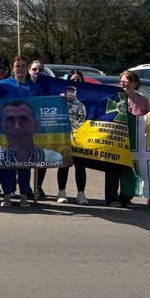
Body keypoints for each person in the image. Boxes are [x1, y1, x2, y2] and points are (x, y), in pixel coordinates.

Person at [0, 57, 37, 203]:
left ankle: (24, 195)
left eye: (23, 66)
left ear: (27, 68)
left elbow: (46, 100)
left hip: (27, 133)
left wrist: (60, 98)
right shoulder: (4, 84)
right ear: (13, 68)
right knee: (8, 163)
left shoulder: (34, 86)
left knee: (24, 163)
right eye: (18, 66)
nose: (20, 69)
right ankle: (7, 195)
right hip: (10, 131)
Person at [0, 99, 64, 177]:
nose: (17, 127)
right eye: (10, 119)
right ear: (1, 127)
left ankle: (27, 191)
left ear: (35, 125)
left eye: (24, 119)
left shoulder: (54, 157)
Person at [103, 70, 150, 208]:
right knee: (113, 170)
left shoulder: (143, 101)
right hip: (116, 140)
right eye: (122, 80)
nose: (124, 83)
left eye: (128, 80)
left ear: (135, 83)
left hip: (135, 141)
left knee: (131, 170)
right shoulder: (114, 98)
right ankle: (112, 199)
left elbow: (147, 121)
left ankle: (126, 198)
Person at [53, 71, 90, 205]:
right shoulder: (60, 100)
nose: (75, 83)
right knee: (64, 165)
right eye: (72, 80)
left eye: (78, 80)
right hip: (63, 137)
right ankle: (61, 192)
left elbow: (84, 119)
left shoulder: (81, 104)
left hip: (79, 138)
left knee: (80, 166)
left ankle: (81, 194)